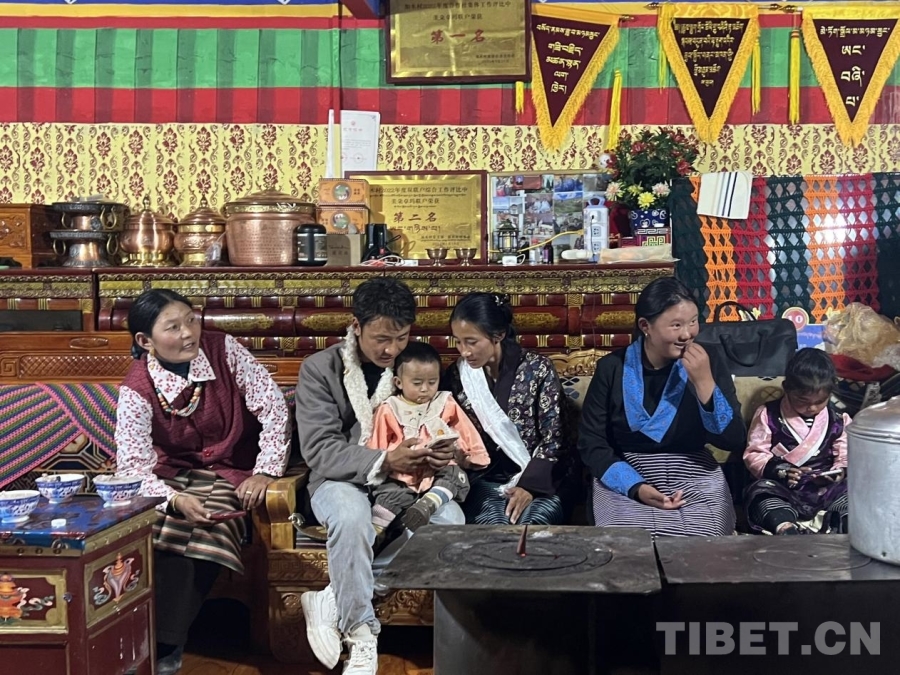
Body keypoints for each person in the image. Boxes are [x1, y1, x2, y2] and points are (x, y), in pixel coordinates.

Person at [114, 289, 290, 675]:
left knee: (211, 524)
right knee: (160, 527)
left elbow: (274, 407)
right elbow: (132, 468)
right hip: (170, 476)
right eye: (173, 327)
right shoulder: (136, 389)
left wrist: (265, 470)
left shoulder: (224, 349)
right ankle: (143, 643)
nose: (188, 333)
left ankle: (163, 648)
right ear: (145, 340)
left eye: (191, 320)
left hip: (232, 470)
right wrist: (175, 500)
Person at [295, 277, 464, 675]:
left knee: (450, 520)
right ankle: (361, 633)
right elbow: (319, 449)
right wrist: (386, 460)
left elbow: (444, 422)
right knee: (351, 515)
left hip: (405, 484)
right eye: (381, 339)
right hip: (338, 479)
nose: (391, 350)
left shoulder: (415, 367)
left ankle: (334, 597)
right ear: (356, 325)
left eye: (401, 338)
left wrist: (443, 451)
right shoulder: (320, 369)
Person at [578, 277, 746, 537]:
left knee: (703, 547)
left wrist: (704, 383)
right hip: (627, 474)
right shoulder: (612, 368)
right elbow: (591, 442)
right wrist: (636, 487)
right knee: (628, 546)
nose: (687, 334)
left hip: (694, 474)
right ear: (645, 326)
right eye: (676, 325)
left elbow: (733, 440)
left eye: (693, 322)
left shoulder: (708, 361)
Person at [444, 292, 576, 526]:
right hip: (485, 480)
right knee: (494, 525)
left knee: (534, 523)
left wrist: (528, 487)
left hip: (541, 480)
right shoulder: (458, 375)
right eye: (458, 341)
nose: (464, 351)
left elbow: (556, 440)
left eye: (471, 342)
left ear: (498, 335)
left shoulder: (538, 369)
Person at [368, 341, 489, 532]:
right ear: (398, 382)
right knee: (389, 495)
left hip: (436, 471)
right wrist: (382, 465)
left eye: (432, 382)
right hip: (401, 474)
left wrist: (472, 454)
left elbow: (465, 431)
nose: (425, 389)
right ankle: (376, 531)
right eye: (417, 383)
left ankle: (430, 502)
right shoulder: (388, 409)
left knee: (453, 475)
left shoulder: (445, 402)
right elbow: (376, 444)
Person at [743, 348, 850, 535]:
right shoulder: (768, 414)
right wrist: (781, 470)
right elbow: (755, 454)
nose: (812, 407)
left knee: (852, 494)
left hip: (824, 489)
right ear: (787, 388)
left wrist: (838, 472)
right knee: (760, 494)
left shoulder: (839, 420)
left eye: (820, 401)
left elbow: (846, 454)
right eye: (802, 400)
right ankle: (785, 527)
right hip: (783, 487)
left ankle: (844, 523)